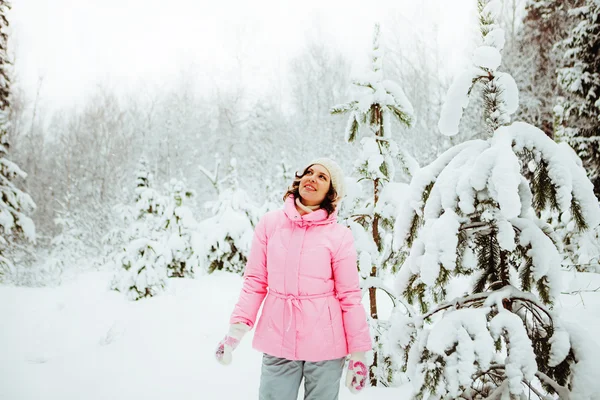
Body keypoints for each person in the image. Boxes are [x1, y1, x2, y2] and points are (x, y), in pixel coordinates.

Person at [215, 158, 372, 399]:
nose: (312, 178)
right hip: (279, 337)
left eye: (322, 177)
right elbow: (255, 281)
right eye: (309, 172)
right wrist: (236, 331)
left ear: (331, 192)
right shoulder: (270, 224)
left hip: (326, 346)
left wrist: (358, 354)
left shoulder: (339, 236)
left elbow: (349, 297)